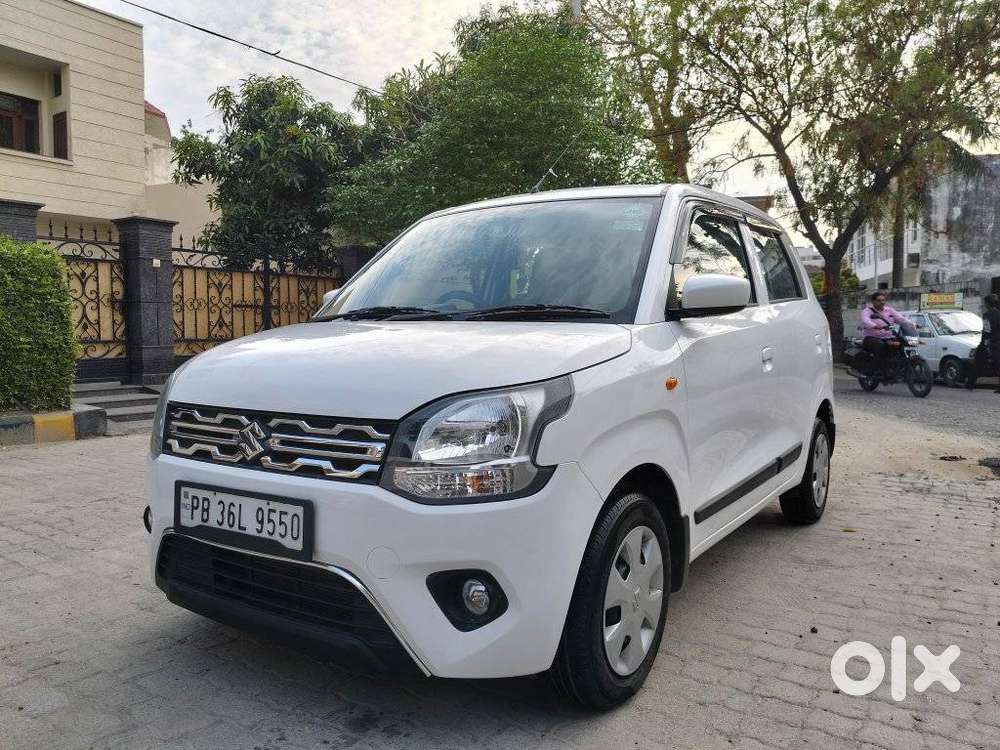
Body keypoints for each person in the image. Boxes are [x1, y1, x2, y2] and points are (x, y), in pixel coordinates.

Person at [860, 292, 910, 373]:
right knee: (881, 346)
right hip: (872, 338)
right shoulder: (867, 311)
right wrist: (875, 326)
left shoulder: (889, 310)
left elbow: (900, 318)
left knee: (901, 343)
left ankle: (897, 367)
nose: (882, 302)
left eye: (883, 300)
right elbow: (866, 321)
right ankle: (878, 369)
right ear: (873, 301)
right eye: (879, 300)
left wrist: (913, 324)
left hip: (888, 337)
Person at [965, 294, 1000, 393]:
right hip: (997, 343)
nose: (984, 305)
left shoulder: (987, 315)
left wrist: (985, 344)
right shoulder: (998, 314)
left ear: (988, 304)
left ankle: (970, 384)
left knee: (977, 362)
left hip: (988, 343)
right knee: (998, 364)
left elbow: (987, 330)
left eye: (985, 303)